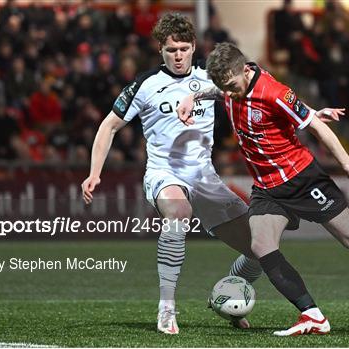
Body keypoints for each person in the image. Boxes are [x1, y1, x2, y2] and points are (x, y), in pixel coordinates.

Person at [177, 42, 349, 336]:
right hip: (267, 187)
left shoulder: (272, 92)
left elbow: (317, 129)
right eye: (224, 88)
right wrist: (191, 95)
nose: (229, 93)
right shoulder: (231, 81)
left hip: (301, 180)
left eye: (232, 86)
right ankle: (312, 315)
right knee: (261, 246)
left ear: (245, 70)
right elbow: (217, 89)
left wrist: (348, 166)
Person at [80, 13, 265, 335]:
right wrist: (94, 172)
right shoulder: (145, 85)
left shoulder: (212, 78)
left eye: (183, 48)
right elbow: (108, 125)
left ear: (194, 47)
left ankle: (229, 297)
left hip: (205, 177)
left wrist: (308, 114)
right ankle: (167, 307)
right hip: (164, 173)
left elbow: (257, 87)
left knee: (262, 247)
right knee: (179, 213)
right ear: (160, 51)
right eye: (171, 50)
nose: (178, 55)